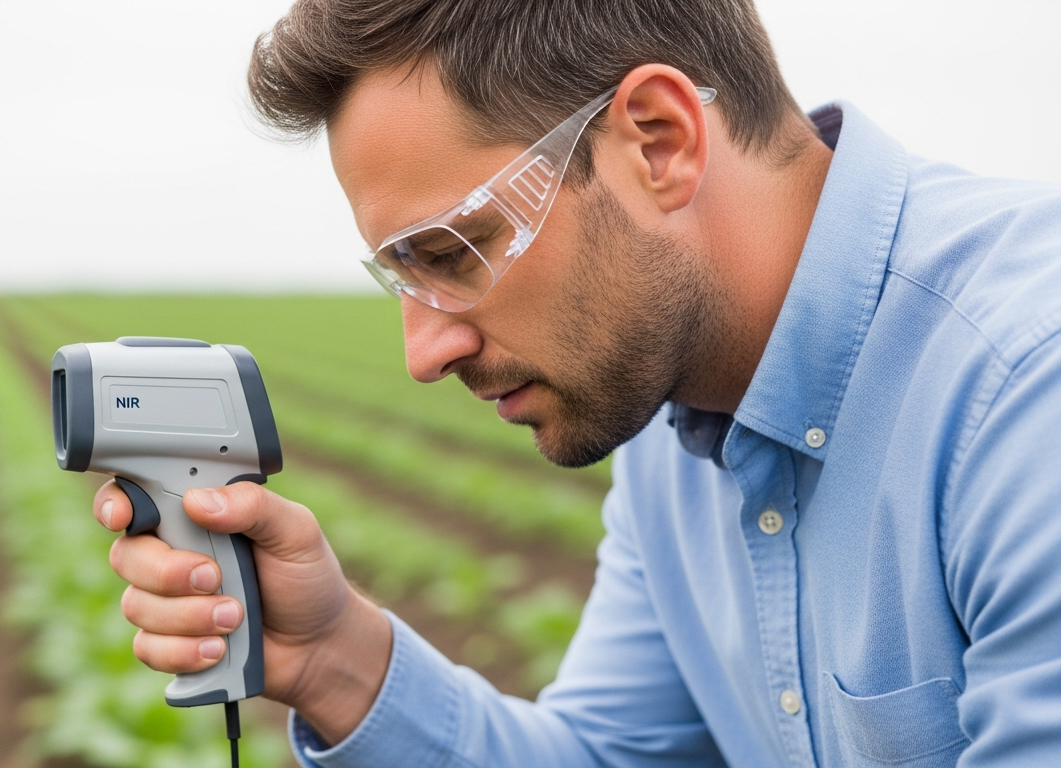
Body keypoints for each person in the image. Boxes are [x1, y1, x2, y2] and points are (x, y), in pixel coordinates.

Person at [93, 1, 1061, 764]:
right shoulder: (672, 432)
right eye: (398, 276)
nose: (421, 354)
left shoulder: (1023, 390)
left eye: (454, 251)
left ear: (657, 141)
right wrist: (333, 658)